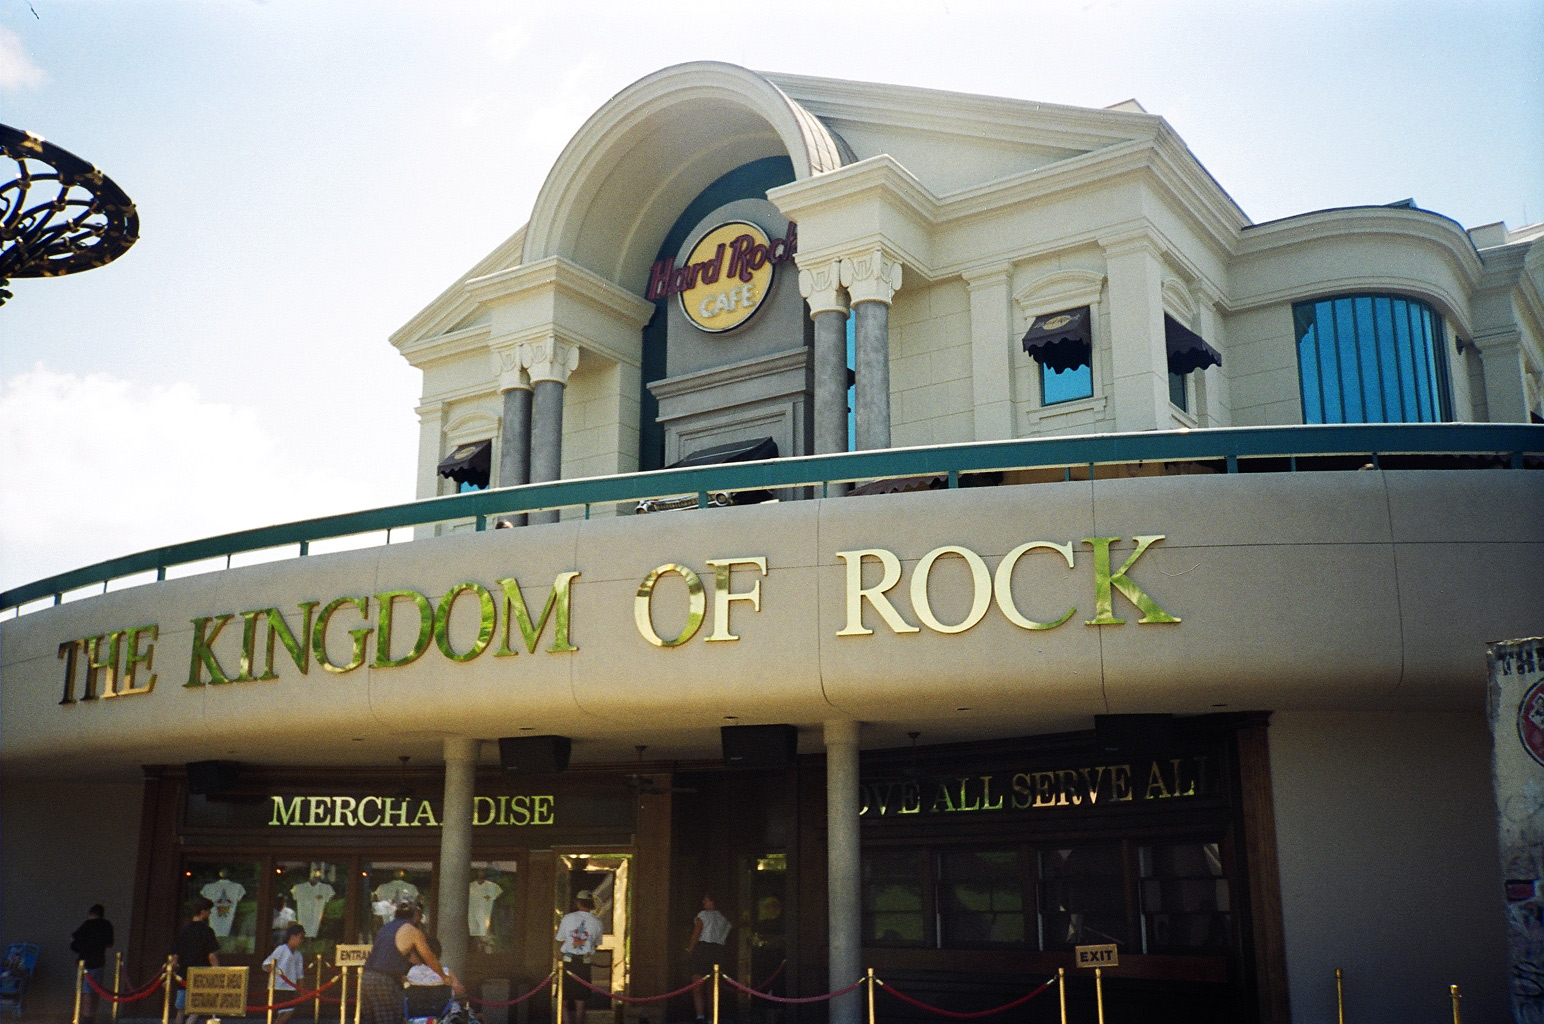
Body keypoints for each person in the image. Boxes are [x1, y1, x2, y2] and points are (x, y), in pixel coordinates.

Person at [359, 902, 462, 1024]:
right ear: (416, 915)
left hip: (366, 978)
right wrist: (443, 976)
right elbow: (429, 957)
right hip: (385, 981)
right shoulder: (412, 931)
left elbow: (412, 958)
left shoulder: (386, 928)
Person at [554, 891, 605, 1024]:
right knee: (580, 999)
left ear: (577, 902)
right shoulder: (597, 922)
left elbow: (559, 940)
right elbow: (597, 944)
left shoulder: (567, 918)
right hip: (584, 962)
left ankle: (566, 1021)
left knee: (563, 998)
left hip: (568, 961)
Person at [172, 897, 220, 1024]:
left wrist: (170, 972)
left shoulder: (183, 931)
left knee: (181, 1009)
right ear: (203, 911)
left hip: (183, 974)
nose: (210, 913)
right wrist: (217, 970)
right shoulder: (207, 931)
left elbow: (175, 956)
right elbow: (211, 956)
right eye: (208, 910)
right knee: (196, 1008)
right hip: (201, 975)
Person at [686, 895, 731, 1023]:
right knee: (712, 988)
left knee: (697, 985)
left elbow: (696, 933)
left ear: (713, 902)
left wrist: (690, 949)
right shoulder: (724, 919)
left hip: (703, 950)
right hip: (718, 951)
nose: (703, 902)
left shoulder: (703, 915)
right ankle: (712, 1018)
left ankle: (700, 1016)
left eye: (706, 900)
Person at [70, 904, 114, 1024]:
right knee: (96, 989)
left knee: (86, 990)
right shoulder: (107, 925)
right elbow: (110, 944)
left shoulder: (87, 925)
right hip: (99, 960)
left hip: (86, 962)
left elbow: (73, 938)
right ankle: (92, 1015)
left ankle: (85, 1016)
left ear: (91, 914)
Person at [262, 924, 306, 1024]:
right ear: (292, 937)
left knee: (284, 1012)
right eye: (300, 937)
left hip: (290, 987)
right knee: (288, 1011)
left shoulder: (298, 955)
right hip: (278, 986)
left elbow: (300, 974)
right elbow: (267, 963)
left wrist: (301, 989)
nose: (302, 940)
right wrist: (275, 971)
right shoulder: (281, 949)